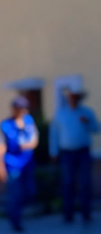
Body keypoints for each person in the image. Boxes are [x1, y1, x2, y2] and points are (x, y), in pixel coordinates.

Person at [49, 83, 98, 223]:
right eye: (71, 97)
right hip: (67, 153)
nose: (73, 100)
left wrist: (87, 122)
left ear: (79, 99)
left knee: (85, 183)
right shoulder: (61, 113)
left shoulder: (86, 112)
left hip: (83, 152)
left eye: (75, 97)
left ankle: (86, 214)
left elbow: (96, 128)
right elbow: (54, 133)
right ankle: (68, 215)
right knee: (68, 183)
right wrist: (53, 151)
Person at [0, 95, 40, 232]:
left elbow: (34, 141)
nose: (21, 111)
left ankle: (14, 212)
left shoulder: (29, 122)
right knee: (15, 193)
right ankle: (15, 220)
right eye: (18, 108)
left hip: (27, 164)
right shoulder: (6, 125)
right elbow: (1, 146)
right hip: (13, 164)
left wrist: (27, 145)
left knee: (30, 191)